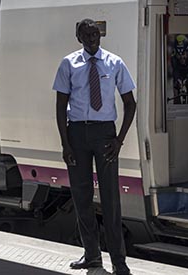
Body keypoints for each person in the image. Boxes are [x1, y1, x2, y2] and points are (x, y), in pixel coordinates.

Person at [53, 19, 136, 275]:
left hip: (105, 135)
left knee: (111, 198)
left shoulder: (114, 63)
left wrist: (119, 140)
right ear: (78, 37)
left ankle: (119, 263)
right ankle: (92, 256)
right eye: (86, 35)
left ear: (100, 35)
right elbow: (59, 106)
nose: (91, 38)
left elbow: (130, 104)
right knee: (82, 196)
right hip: (77, 133)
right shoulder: (69, 64)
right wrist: (65, 143)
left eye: (95, 34)